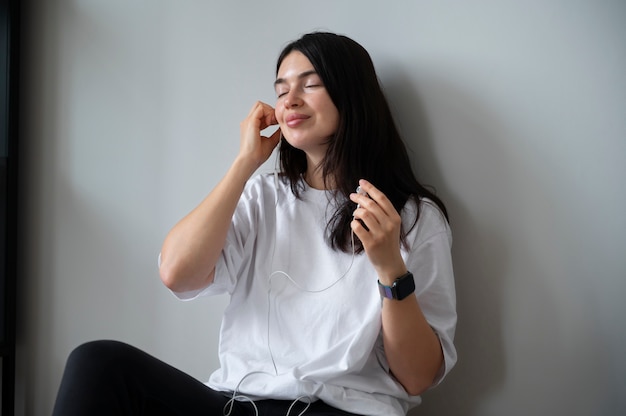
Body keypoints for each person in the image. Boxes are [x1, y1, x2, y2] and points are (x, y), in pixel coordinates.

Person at [53, 32, 456, 416]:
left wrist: (390, 269)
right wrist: (244, 164)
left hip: (343, 409)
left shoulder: (412, 217)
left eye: (309, 85)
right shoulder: (263, 198)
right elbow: (177, 273)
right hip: (237, 404)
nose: (290, 100)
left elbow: (416, 377)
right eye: (281, 90)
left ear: (352, 96)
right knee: (98, 362)